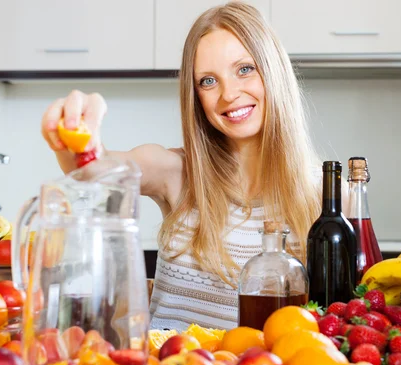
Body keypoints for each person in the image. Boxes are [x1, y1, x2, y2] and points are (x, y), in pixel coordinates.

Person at [40, 2, 324, 331]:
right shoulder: (177, 173)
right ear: (196, 96)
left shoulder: (327, 195)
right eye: (208, 81)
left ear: (273, 70)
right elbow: (95, 171)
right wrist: (76, 134)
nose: (229, 94)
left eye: (244, 69)